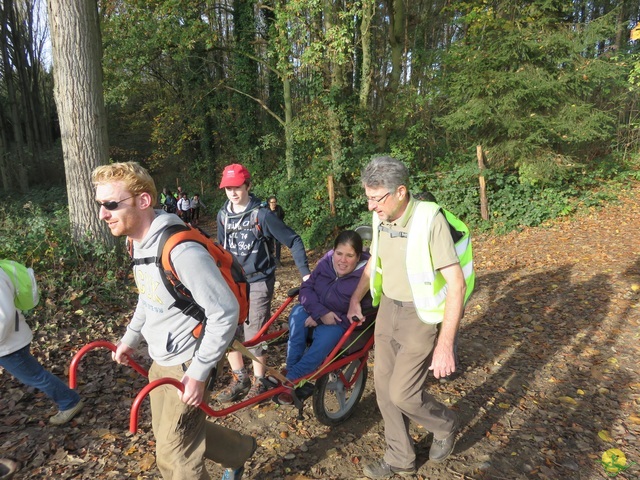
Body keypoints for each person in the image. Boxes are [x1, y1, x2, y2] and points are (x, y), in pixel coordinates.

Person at [92, 162, 256, 480]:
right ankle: (239, 451)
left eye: (111, 204)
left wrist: (197, 372)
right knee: (176, 433)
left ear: (143, 201)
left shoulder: (182, 250)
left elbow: (224, 312)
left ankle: (236, 453)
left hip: (189, 362)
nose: (103, 214)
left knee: (173, 455)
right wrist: (130, 338)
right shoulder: (137, 243)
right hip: (160, 359)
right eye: (101, 205)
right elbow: (149, 294)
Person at [347, 156, 473, 478]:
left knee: (403, 392)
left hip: (420, 315)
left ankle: (445, 424)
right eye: (368, 197)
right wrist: (355, 298)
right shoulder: (380, 219)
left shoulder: (430, 221)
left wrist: (445, 345)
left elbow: (456, 284)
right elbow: (374, 260)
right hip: (388, 308)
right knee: (384, 389)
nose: (371, 206)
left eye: (377, 198)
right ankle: (400, 457)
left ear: (400, 191)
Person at [216, 164, 311, 402]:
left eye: (237, 187)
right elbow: (220, 251)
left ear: (248, 185)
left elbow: (294, 240)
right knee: (224, 328)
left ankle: (260, 380)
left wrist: (306, 274)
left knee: (254, 332)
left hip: (258, 280)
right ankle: (240, 377)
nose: (233, 193)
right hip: (232, 282)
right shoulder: (222, 215)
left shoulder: (262, 215)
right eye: (228, 188)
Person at [276, 230, 372, 405]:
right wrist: (319, 313)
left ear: (358, 257)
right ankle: (291, 368)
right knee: (297, 314)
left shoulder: (365, 275)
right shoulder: (326, 262)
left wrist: (323, 318)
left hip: (340, 322)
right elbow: (307, 288)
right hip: (318, 310)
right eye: (339, 253)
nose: (342, 260)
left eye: (349, 256)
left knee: (328, 336)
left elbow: (365, 310)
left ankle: (292, 378)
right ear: (333, 251)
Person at [1, 268, 84, 425]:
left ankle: (69, 402)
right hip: (9, 340)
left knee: (35, 376)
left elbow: (4, 317)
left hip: (9, 344)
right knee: (33, 375)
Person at [266, 196, 285, 266]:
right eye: (272, 202)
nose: (274, 204)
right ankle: (270, 260)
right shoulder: (266, 210)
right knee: (269, 244)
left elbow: (282, 216)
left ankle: (277, 260)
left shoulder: (279, 209)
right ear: (269, 203)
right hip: (268, 229)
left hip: (277, 229)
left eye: (275, 202)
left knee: (278, 244)